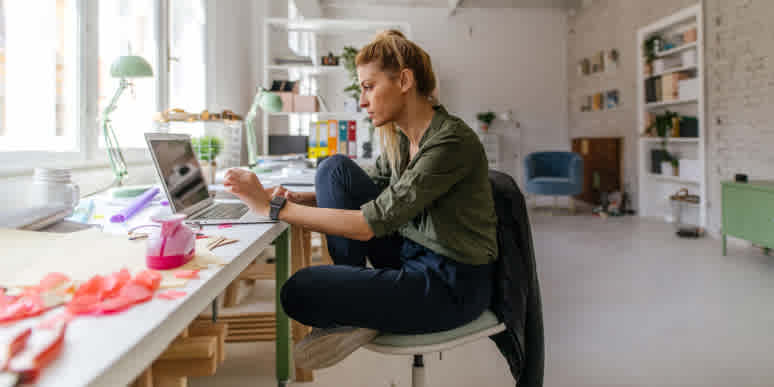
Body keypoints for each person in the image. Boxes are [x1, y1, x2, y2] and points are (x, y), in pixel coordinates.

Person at [223, 29, 498, 370]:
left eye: (369, 86)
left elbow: (370, 223)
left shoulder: (451, 142)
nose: (363, 100)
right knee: (332, 168)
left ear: (404, 80)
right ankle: (359, 308)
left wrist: (275, 209)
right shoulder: (402, 138)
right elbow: (381, 194)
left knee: (299, 290)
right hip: (409, 252)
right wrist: (298, 198)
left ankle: (358, 309)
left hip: (450, 284)